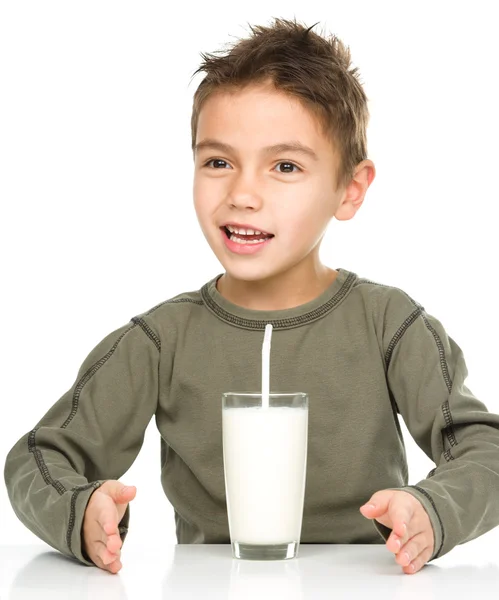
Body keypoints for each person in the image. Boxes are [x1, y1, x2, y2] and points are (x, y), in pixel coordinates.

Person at [4, 17, 499, 577]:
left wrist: (434, 510)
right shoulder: (161, 340)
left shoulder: (390, 324)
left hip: (372, 584)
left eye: (284, 166)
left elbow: (485, 450)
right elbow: (40, 457)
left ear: (350, 189)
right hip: (210, 587)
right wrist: (80, 510)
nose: (242, 194)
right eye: (218, 162)